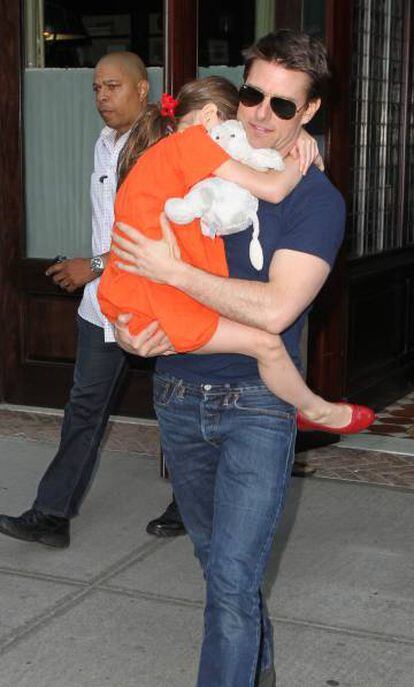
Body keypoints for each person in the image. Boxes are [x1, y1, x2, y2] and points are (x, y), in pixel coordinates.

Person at [112, 30, 350, 687]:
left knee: (233, 579)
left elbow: (274, 310)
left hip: (257, 403)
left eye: (282, 106)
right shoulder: (196, 157)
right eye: (252, 94)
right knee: (218, 563)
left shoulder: (314, 199)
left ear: (309, 115)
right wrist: (129, 329)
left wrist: (175, 274)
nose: (260, 114)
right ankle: (258, 665)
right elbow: (128, 251)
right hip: (178, 391)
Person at [98, 76, 373, 435]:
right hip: (161, 322)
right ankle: (315, 410)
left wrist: (297, 137)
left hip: (148, 308)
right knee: (264, 343)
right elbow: (272, 189)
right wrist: (298, 156)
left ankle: (312, 409)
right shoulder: (194, 146)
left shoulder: (162, 159)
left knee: (264, 341)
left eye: (284, 106)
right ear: (213, 118)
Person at [0, 51, 184, 549]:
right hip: (101, 308)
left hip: (154, 306)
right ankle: (51, 515)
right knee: (83, 411)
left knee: (178, 410)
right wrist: (94, 272)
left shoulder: (163, 148)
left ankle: (189, 504)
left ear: (142, 90)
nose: (102, 97)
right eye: (96, 88)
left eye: (113, 87)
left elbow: (162, 236)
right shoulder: (105, 143)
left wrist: (93, 266)